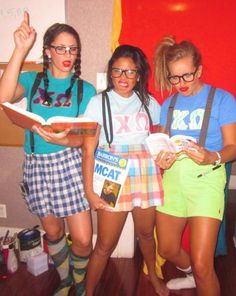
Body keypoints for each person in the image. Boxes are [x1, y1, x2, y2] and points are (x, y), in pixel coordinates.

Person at [0, 12, 97, 296]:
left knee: (81, 239)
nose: (68, 54)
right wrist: (19, 49)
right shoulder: (33, 81)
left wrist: (64, 138)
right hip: (37, 165)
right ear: (48, 51)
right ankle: (66, 279)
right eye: (60, 48)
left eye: (73, 49)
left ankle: (79, 281)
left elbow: (86, 139)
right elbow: (3, 97)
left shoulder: (85, 89)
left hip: (69, 165)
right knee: (53, 233)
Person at [82, 44, 169, 296]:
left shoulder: (150, 102)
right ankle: (89, 291)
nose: (123, 77)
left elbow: (161, 137)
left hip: (145, 171)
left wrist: (163, 159)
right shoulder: (98, 103)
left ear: (139, 75)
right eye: (118, 71)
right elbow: (88, 150)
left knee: (145, 234)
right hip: (113, 173)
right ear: (110, 73)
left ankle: (152, 275)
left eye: (130, 72)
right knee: (105, 244)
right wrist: (89, 191)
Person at [153, 36, 236, 296]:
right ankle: (190, 276)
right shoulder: (168, 104)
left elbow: (233, 148)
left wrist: (212, 156)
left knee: (203, 265)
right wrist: (161, 159)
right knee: (166, 249)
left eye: (187, 76)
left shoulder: (223, 100)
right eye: (174, 78)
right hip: (174, 178)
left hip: (207, 178)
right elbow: (163, 144)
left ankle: (197, 275)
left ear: (198, 70)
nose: (181, 84)